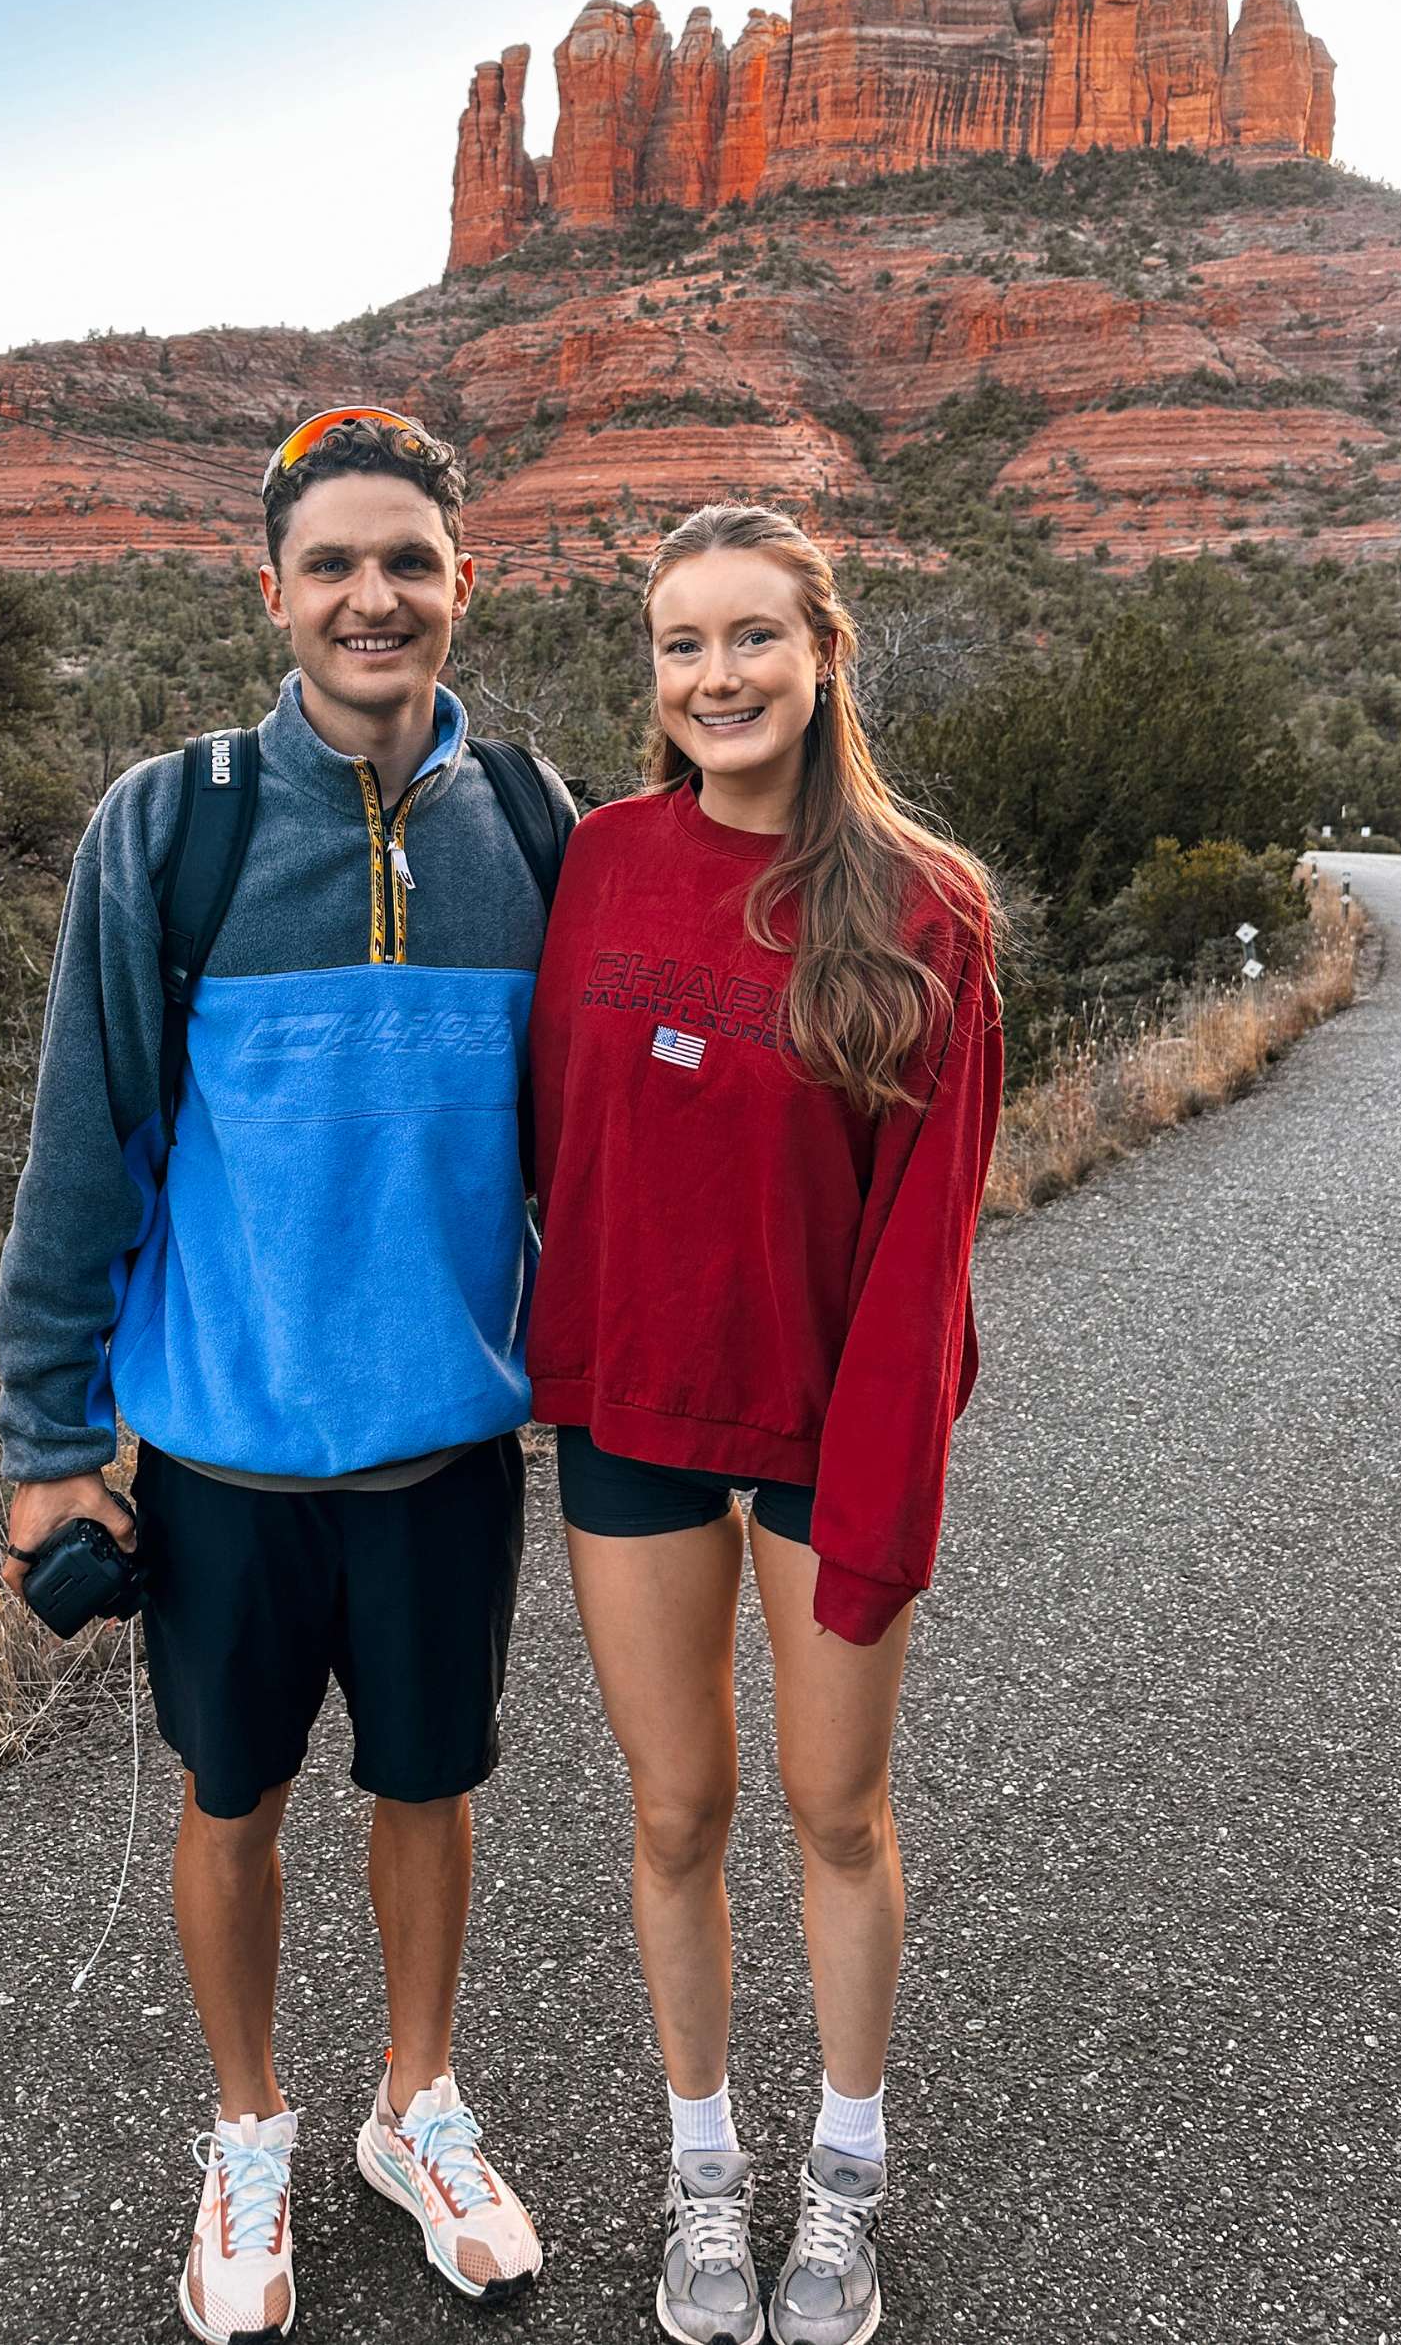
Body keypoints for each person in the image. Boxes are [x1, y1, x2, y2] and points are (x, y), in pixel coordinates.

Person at [0, 408, 572, 2344]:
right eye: (332, 564)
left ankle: (418, 2105)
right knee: (228, 1798)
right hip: (224, 1457)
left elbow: (582, 1155)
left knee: (429, 1786)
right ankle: (247, 2131)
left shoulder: (537, 828)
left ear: (463, 581)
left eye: (406, 559)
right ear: (274, 592)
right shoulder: (174, 825)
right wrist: (49, 1435)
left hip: (446, 1451)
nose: (370, 596)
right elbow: (83, 1144)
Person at [526, 502, 1005, 2345]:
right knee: (675, 1809)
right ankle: (705, 2174)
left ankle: (848, 2178)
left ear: (823, 656)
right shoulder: (601, 862)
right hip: (632, 1406)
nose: (715, 677)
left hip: (824, 1425)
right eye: (682, 644)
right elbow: (552, 1130)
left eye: (752, 638)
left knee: (834, 1808)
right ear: (652, 670)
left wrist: (889, 1495)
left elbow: (928, 1243)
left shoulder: (926, 904)